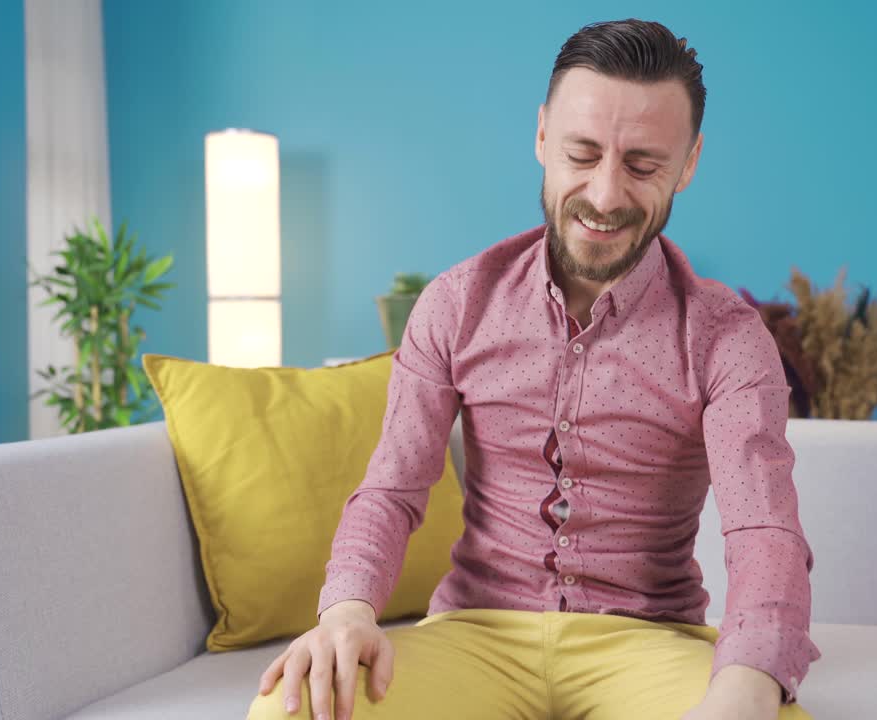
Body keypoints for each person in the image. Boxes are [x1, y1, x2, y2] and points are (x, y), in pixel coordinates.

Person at [249, 18, 820, 720]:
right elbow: (393, 489)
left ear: (690, 161)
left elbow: (764, 529)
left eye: (643, 166)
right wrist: (346, 612)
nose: (606, 196)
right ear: (542, 135)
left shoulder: (727, 337)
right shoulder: (456, 303)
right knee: (292, 709)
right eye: (582, 153)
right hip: (474, 635)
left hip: (647, 641)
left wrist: (749, 678)